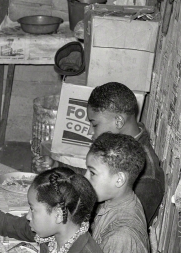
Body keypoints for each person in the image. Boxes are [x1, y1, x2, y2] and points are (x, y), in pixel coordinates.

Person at [35, 82, 165, 225]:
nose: (90, 132)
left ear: (118, 121)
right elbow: (97, 177)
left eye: (95, 124)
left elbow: (125, 226)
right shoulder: (120, 147)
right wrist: (57, 166)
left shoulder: (147, 177)